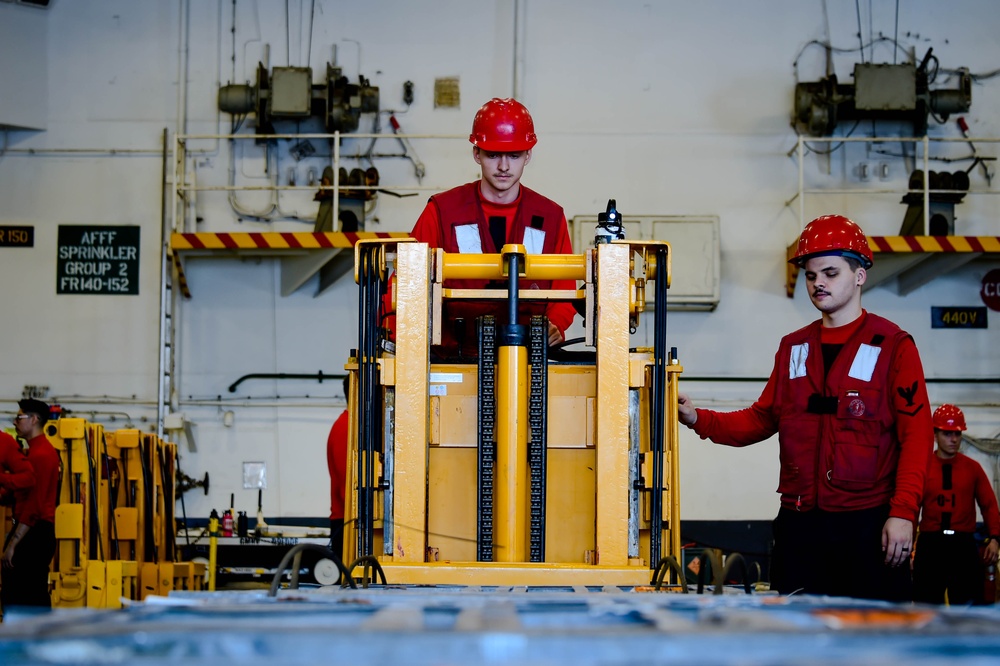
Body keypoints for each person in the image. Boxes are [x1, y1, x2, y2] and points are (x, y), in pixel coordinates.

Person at [677, 214, 933, 600]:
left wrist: (903, 513)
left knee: (876, 643)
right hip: (800, 526)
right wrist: (699, 418)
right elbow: (762, 418)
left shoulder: (893, 346)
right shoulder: (794, 347)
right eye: (812, 276)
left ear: (860, 274)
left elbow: (917, 436)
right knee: (799, 641)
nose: (818, 284)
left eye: (830, 273)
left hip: (867, 525)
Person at [386, 97, 577, 357]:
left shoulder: (551, 217)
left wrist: (556, 325)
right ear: (477, 153)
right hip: (454, 357)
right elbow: (405, 285)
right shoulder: (442, 211)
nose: (503, 166)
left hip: (530, 358)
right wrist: (397, 349)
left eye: (514, 155)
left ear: (528, 155)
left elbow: (565, 290)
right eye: (493, 154)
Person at [913, 404, 1000, 605]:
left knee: (968, 607)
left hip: (963, 547)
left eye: (957, 434)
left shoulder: (973, 469)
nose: (954, 439)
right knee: (926, 607)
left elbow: (989, 505)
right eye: (947, 434)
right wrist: (909, 544)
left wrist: (994, 538)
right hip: (930, 546)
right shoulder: (923, 467)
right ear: (935, 434)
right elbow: (912, 507)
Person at [1, 399, 59, 612]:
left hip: (33, 532)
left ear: (34, 420)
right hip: (32, 530)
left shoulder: (41, 455)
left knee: (23, 596)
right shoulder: (33, 452)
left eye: (19, 417)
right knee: (26, 594)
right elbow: (19, 494)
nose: (15, 422)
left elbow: (33, 506)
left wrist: (13, 544)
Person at [327, 377, 349, 561]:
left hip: (350, 521)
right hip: (347, 522)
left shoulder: (350, 425)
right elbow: (346, 483)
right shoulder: (346, 427)